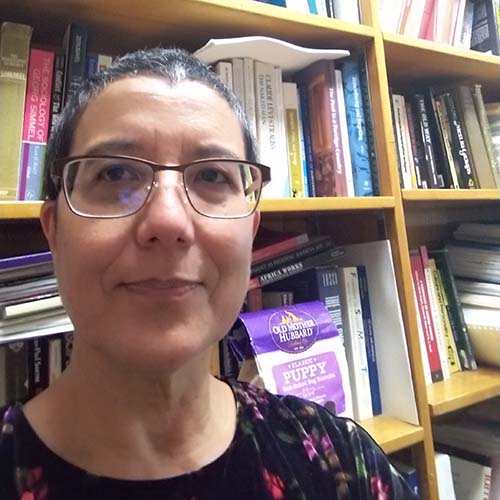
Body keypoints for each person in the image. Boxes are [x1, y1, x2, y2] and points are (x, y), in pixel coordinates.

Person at [0, 47, 419, 500]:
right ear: (54, 230)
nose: (168, 222)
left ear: (250, 229)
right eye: (116, 173)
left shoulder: (337, 459)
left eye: (212, 177)